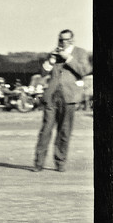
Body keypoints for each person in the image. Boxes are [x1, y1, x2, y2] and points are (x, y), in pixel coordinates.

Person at [33, 29, 91, 172]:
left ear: (72, 40)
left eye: (65, 40)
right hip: (52, 95)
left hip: (69, 96)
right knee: (45, 130)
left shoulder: (80, 53)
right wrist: (51, 60)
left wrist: (68, 58)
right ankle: (38, 163)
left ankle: (60, 162)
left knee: (64, 131)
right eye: (60, 39)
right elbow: (42, 72)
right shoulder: (54, 52)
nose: (62, 42)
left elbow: (84, 71)